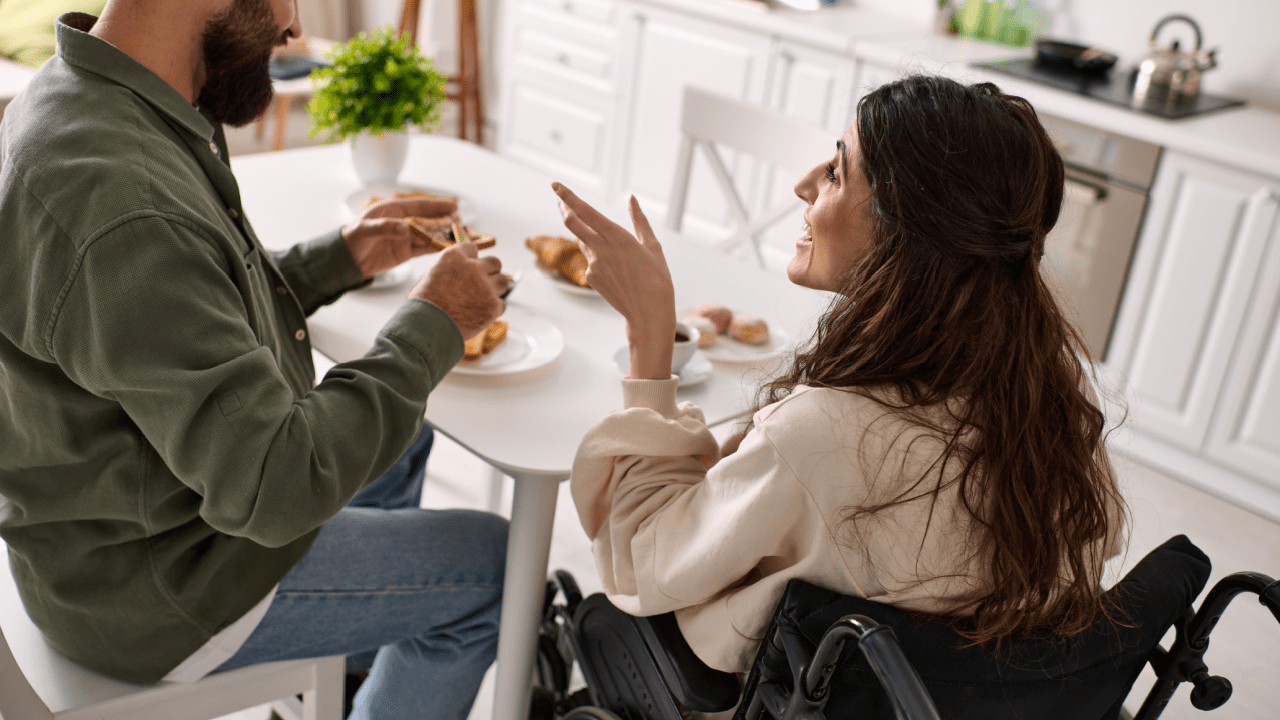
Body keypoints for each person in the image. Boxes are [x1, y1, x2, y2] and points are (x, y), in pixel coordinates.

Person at [0, 1, 510, 718]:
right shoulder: (125, 200)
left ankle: (349, 677)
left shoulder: (82, 96)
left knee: (406, 432)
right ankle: (368, 664)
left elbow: (172, 309)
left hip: (112, 534)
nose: (294, 25)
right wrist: (436, 321)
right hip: (162, 590)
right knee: (501, 570)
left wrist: (340, 258)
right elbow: (280, 487)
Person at [552, 75, 1127, 675]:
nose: (803, 185)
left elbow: (648, 563)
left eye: (834, 174)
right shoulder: (1051, 392)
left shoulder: (822, 435)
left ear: (902, 228)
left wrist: (651, 335)